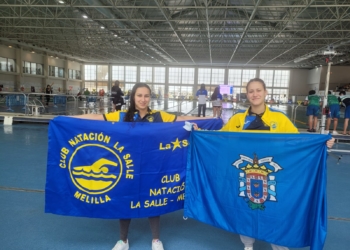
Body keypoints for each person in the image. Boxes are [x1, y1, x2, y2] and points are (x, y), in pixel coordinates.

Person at [194, 78, 334, 250]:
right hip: (244, 175)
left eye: (258, 90)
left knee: (274, 211)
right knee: (244, 208)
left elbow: (299, 142)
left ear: (266, 92)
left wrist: (322, 144)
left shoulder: (279, 118)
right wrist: (200, 134)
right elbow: (220, 139)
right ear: (247, 95)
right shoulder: (238, 119)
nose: (255, 94)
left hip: (274, 175)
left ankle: (279, 245)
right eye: (251, 91)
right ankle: (248, 245)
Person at [72, 83, 210, 250]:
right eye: (139, 95)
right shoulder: (122, 115)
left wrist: (208, 122)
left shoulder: (159, 116)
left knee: (153, 199)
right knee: (125, 200)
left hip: (152, 167)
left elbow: (180, 120)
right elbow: (98, 117)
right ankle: (123, 241)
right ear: (133, 97)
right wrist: (67, 119)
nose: (143, 99)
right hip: (128, 168)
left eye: (146, 96)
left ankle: (156, 240)